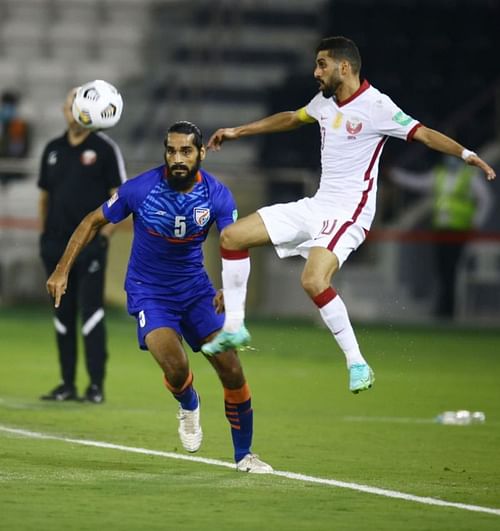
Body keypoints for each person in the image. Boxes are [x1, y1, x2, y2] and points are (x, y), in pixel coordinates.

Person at [201, 36, 496, 393]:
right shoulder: (325, 102)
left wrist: (467, 155)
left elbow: (424, 134)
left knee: (312, 281)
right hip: (317, 204)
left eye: (321, 64)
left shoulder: (377, 106)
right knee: (232, 236)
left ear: (344, 66)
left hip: (350, 213)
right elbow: (292, 118)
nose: (315, 72)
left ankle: (357, 362)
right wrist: (238, 131)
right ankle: (234, 327)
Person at [45, 121, 272, 473]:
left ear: (201, 153)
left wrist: (231, 286)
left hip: (196, 292)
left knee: (231, 369)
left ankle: (245, 455)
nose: (177, 158)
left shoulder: (217, 195)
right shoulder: (140, 189)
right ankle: (188, 403)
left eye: (185, 151)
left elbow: (234, 243)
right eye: (171, 150)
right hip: (150, 293)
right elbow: (91, 221)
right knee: (176, 365)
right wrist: (62, 269)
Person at [38, 87, 127, 403]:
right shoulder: (52, 149)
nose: (72, 106)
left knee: (91, 315)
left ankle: (96, 386)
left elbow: (120, 197)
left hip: (89, 247)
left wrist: (103, 237)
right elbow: (45, 197)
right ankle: (66, 384)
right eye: (69, 102)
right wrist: (46, 237)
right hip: (54, 247)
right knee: (62, 315)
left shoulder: (104, 149)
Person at [390, 155, 493, 318]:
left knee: (452, 271)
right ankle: (443, 307)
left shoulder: (470, 177)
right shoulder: (440, 174)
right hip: (441, 231)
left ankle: (449, 310)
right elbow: (418, 183)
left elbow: (485, 200)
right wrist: (396, 175)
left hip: (459, 232)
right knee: (442, 270)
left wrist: (476, 223)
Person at [0, 90, 30, 186]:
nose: (8, 108)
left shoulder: (21, 125)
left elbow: (25, 148)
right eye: (6, 104)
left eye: (11, 105)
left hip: (16, 170)